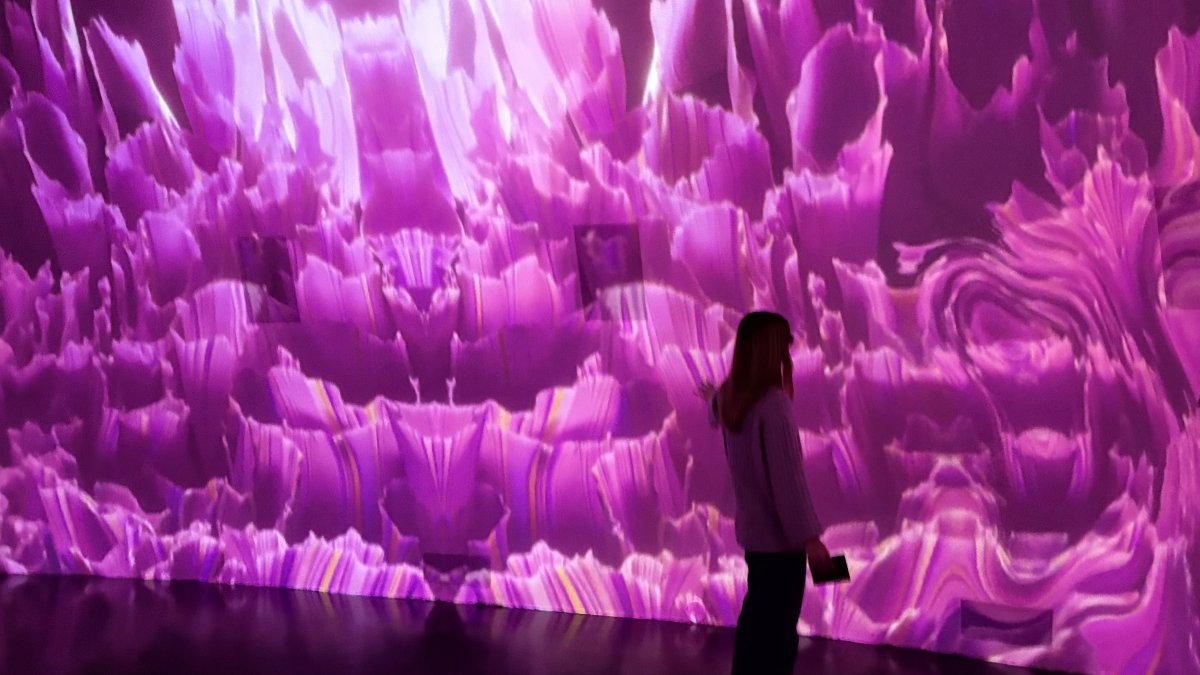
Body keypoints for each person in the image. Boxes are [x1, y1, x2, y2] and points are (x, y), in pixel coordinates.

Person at [699, 311, 835, 675]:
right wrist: (810, 539)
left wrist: (711, 396)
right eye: (785, 342)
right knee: (778, 634)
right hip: (781, 543)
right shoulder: (773, 404)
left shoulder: (733, 397)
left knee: (756, 621)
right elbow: (787, 481)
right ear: (771, 349)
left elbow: (716, 408)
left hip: (755, 538)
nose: (789, 349)